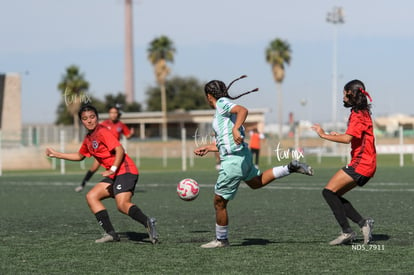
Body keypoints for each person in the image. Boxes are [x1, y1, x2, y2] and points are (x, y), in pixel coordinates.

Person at [194, 75, 314, 248]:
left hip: (233, 161)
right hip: (242, 155)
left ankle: (221, 240)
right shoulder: (223, 111)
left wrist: (236, 129)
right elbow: (226, 141)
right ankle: (290, 167)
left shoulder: (221, 103)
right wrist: (208, 147)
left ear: (208, 96)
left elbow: (242, 110)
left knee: (219, 202)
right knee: (256, 182)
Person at [46, 105, 158, 244]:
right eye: (85, 118)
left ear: (97, 118)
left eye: (92, 117)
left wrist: (113, 168)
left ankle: (148, 222)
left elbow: (120, 150)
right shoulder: (88, 138)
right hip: (114, 174)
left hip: (125, 170)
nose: (89, 121)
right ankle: (111, 234)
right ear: (81, 121)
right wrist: (56, 154)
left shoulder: (102, 132)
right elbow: (80, 156)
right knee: (91, 196)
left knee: (122, 204)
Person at [311, 79, 376, 246]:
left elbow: (347, 139)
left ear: (351, 94)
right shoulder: (360, 112)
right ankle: (363, 224)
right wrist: (336, 134)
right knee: (334, 194)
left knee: (328, 192)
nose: (343, 98)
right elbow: (353, 136)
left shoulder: (358, 114)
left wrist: (323, 135)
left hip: (361, 164)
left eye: (344, 94)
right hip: (366, 164)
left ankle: (347, 232)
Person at [75, 106, 134, 192]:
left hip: (114, 151)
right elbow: (95, 132)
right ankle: (82, 184)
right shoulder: (104, 124)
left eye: (115, 113)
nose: (113, 115)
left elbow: (127, 136)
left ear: (118, 114)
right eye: (111, 112)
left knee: (117, 168)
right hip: (102, 151)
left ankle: (119, 184)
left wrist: (131, 134)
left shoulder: (121, 125)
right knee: (94, 168)